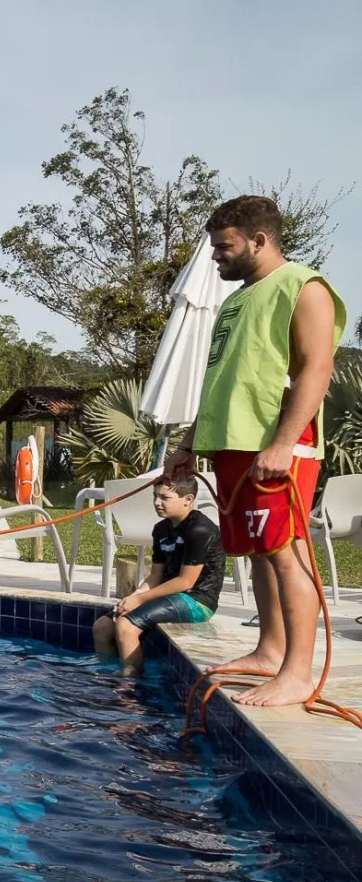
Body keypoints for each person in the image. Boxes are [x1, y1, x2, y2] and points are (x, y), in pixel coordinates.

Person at [164, 195, 347, 707]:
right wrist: (188, 443)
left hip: (276, 444)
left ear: (259, 240)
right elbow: (220, 379)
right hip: (233, 442)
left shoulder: (304, 287)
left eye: (225, 247)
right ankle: (270, 651)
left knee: (286, 554)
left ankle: (297, 672)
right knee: (262, 555)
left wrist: (284, 443)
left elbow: (316, 367)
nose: (216, 257)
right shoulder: (236, 300)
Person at [93, 476, 226, 675]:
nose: (157, 502)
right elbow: (155, 575)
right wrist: (133, 597)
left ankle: (129, 686)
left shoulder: (199, 530)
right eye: (155, 496)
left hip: (196, 600)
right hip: (169, 595)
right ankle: (106, 674)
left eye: (164, 497)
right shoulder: (161, 529)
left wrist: (140, 599)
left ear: (188, 499)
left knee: (126, 627)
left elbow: (185, 581)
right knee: (102, 627)